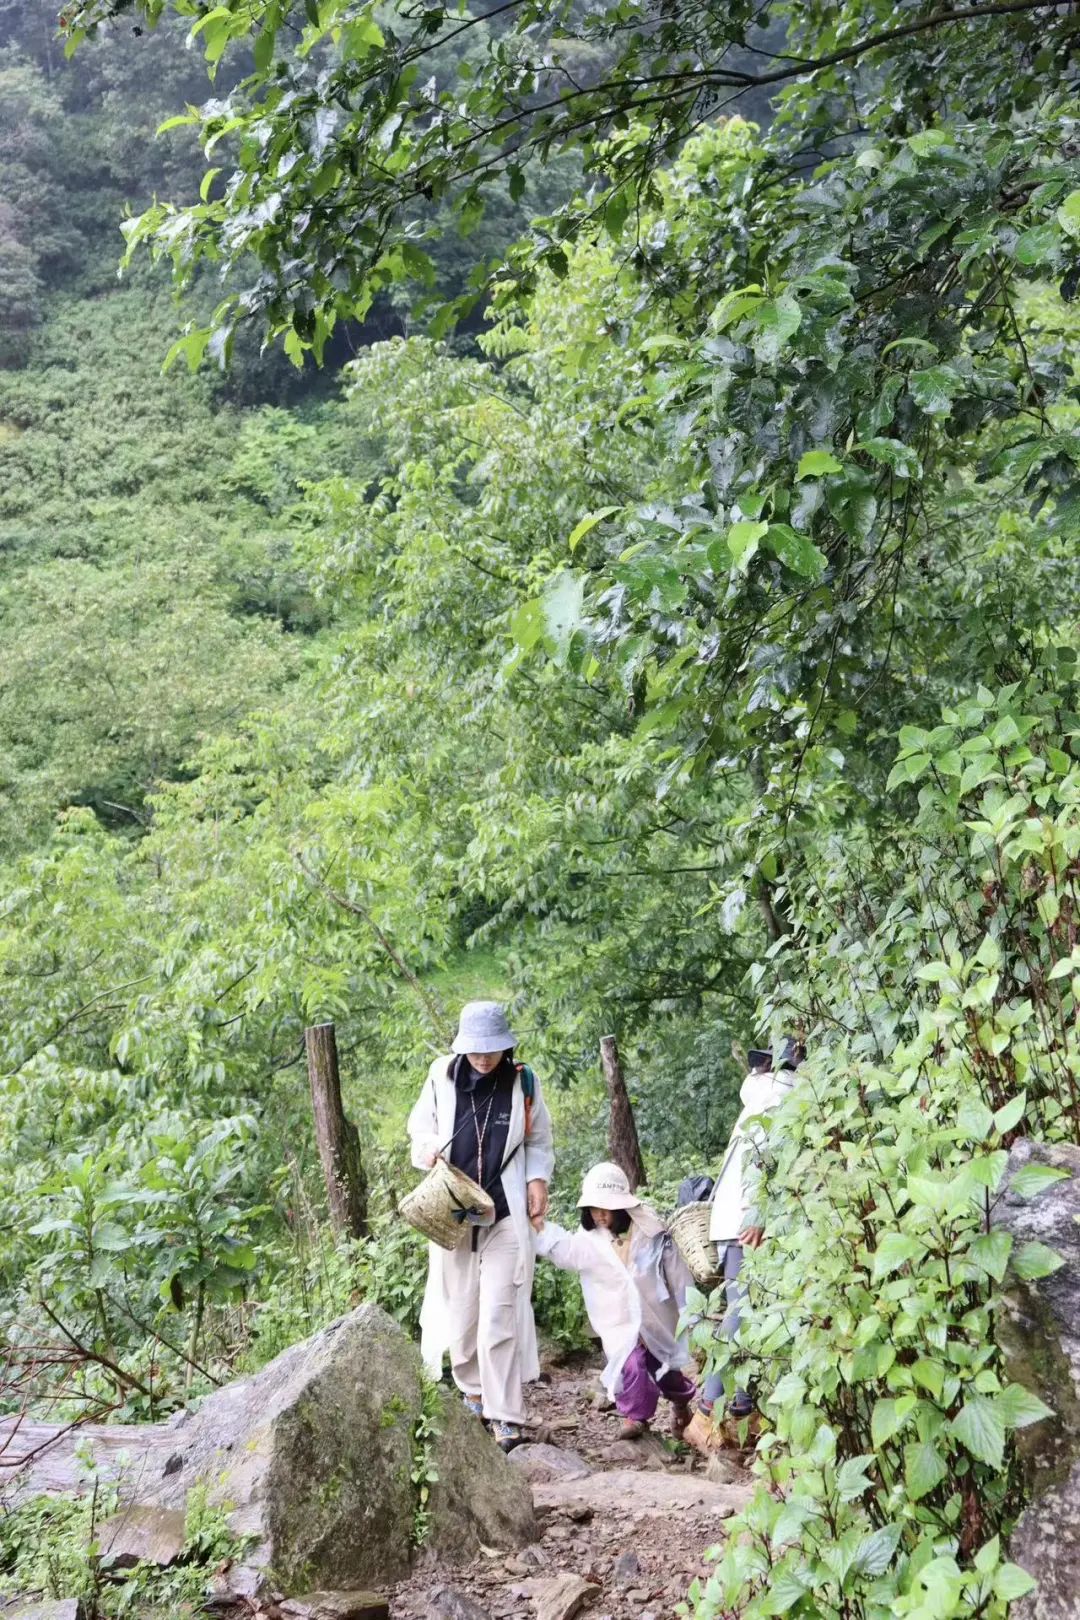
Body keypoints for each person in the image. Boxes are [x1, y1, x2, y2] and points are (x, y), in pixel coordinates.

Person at [407, 1000, 554, 1452]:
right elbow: (419, 1129)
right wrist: (429, 1148)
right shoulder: (441, 1075)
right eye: (475, 1049)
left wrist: (537, 1180)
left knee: (498, 1313)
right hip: (452, 1207)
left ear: (505, 1047)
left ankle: (505, 1415)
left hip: (505, 1210)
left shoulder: (523, 1081)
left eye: (491, 1049)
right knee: (462, 1311)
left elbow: (539, 1139)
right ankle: (471, 1391)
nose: (483, 1058)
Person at [684, 1036, 803, 1453]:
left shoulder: (759, 1093)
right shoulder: (781, 1096)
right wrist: (757, 1214)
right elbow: (761, 1156)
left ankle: (739, 1410)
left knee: (750, 1312)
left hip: (732, 1219)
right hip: (747, 1221)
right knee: (743, 1313)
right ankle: (707, 1410)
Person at [533, 1161, 696, 1440]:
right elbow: (566, 1251)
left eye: (604, 1208)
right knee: (631, 1366)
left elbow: (677, 1273)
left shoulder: (650, 1232)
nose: (599, 1215)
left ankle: (681, 1403)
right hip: (620, 1322)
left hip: (655, 1317)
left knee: (666, 1369)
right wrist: (539, 1228)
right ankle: (636, 1417)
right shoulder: (591, 1242)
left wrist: (689, 1307)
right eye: (593, 1209)